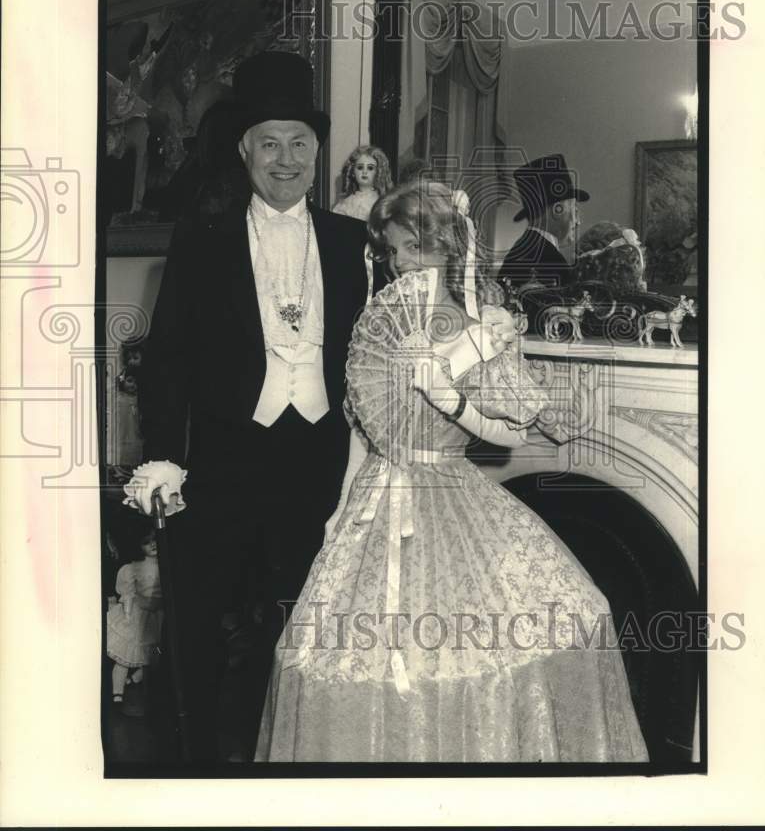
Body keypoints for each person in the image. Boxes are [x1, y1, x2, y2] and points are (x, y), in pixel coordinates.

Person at [255, 181, 648, 762]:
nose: (401, 264)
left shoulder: (482, 326)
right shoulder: (379, 324)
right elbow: (365, 432)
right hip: (377, 499)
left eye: (415, 247)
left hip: (452, 488)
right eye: (392, 252)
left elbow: (523, 431)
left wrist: (451, 397)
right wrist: (339, 510)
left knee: (566, 616)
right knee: (342, 653)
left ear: (449, 246)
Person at [122, 51, 382, 763]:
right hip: (221, 458)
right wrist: (162, 460)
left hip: (316, 459)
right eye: (269, 142)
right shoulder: (200, 240)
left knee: (296, 620)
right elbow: (167, 358)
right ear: (244, 150)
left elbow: (373, 352)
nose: (286, 158)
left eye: (300, 142)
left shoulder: (351, 240)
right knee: (199, 620)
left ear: (318, 150)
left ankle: (286, 752)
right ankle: (192, 760)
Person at [498, 154, 590, 292]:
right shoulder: (549, 261)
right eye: (575, 211)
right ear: (557, 210)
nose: (578, 221)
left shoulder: (523, 250)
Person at [106, 528, 162, 705]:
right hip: (139, 613)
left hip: (158, 614)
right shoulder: (133, 568)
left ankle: (137, 680)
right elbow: (128, 593)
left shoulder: (165, 564)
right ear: (139, 546)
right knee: (126, 653)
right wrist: (128, 615)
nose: (152, 544)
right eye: (146, 542)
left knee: (152, 656)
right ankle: (117, 693)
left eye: (154, 540)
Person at [332, 144, 393, 220]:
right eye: (360, 167)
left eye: (370, 168)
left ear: (378, 172)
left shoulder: (382, 202)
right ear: (353, 172)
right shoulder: (346, 204)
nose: (364, 172)